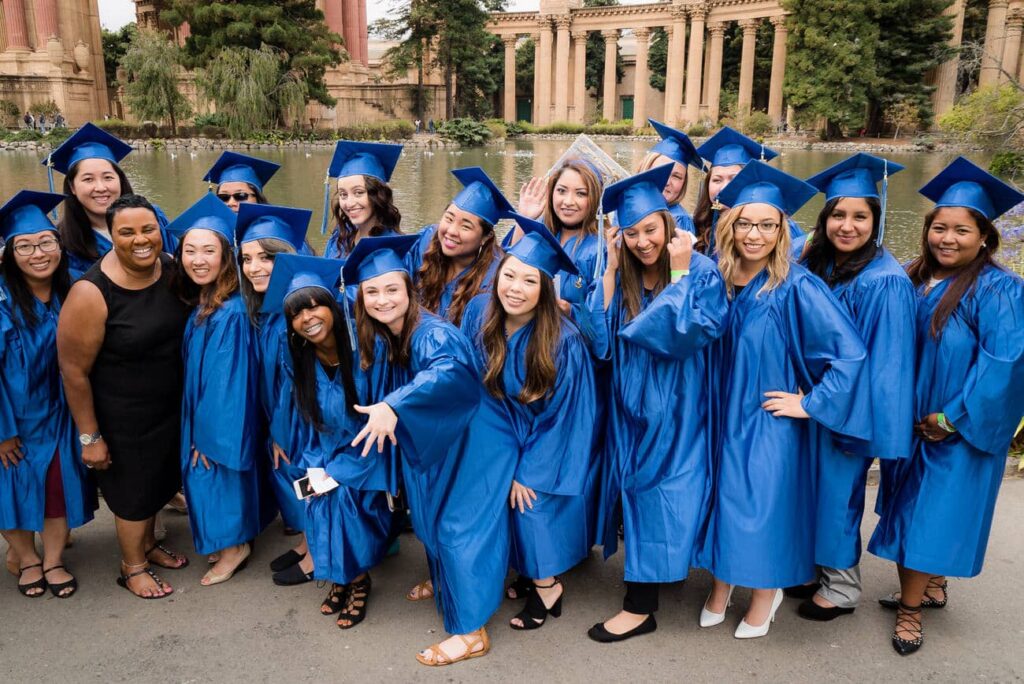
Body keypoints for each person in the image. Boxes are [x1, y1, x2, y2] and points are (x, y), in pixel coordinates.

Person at [698, 161, 872, 639]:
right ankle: (723, 582)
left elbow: (850, 355)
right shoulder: (716, 278)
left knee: (760, 508)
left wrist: (810, 404)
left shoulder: (796, 286)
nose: (755, 235)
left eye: (768, 225)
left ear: (782, 229)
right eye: (746, 223)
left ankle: (765, 592)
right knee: (724, 501)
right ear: (730, 225)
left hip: (766, 420)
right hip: (720, 415)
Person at [868, 157, 1024, 655]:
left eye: (961, 230)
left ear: (985, 237)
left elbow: (1005, 361)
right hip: (908, 423)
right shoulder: (911, 278)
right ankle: (931, 586)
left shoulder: (999, 288)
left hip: (954, 425)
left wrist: (952, 417)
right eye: (939, 227)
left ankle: (910, 613)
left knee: (927, 517)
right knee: (907, 506)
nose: (947, 238)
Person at [576, 165, 729, 642]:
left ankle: (640, 606)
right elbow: (598, 342)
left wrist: (680, 273)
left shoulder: (699, 270)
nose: (643, 241)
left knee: (662, 493)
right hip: (629, 405)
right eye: (632, 233)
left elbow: (687, 337)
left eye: (650, 230)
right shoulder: (620, 272)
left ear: (669, 225)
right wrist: (611, 267)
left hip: (680, 406)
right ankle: (658, 579)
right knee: (640, 493)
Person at [345, 235, 505, 666]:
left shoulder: (431, 333)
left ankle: (472, 632)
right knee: (432, 515)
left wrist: (393, 405)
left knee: (458, 527)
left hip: (478, 442)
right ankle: (448, 584)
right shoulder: (392, 332)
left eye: (392, 289)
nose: (382, 300)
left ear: (409, 291)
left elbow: (449, 373)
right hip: (448, 437)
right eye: (372, 292)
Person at [789, 154, 916, 621]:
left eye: (860, 216)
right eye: (838, 215)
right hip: (813, 401)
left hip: (847, 408)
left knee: (839, 495)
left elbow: (885, 365)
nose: (847, 226)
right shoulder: (821, 262)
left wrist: (828, 407)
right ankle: (811, 571)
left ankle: (841, 589)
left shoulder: (885, 282)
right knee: (810, 490)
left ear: (876, 220)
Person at [460, 215, 597, 631]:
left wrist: (527, 469)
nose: (514, 289)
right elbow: (468, 383)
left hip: (545, 439)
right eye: (509, 276)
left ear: (545, 292)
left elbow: (566, 419)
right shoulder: (479, 315)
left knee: (529, 505)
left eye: (529, 282)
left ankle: (547, 584)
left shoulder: (563, 341)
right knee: (494, 499)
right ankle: (523, 571)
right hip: (495, 431)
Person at [57, 193, 191, 599]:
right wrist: (90, 436)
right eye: (127, 232)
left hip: (167, 408)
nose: (141, 239)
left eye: (148, 229)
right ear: (111, 236)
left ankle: (148, 546)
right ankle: (132, 566)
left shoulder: (168, 267)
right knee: (134, 493)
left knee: (158, 482)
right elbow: (74, 371)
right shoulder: (91, 293)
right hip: (123, 415)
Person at [261, 254, 395, 629]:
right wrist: (302, 455)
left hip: (368, 453)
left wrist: (336, 471)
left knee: (343, 501)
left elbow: (387, 418)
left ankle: (356, 581)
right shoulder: (300, 357)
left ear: (334, 306)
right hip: (325, 449)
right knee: (312, 493)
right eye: (297, 314)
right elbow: (303, 415)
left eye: (315, 305)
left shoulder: (369, 351)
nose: (308, 318)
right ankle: (341, 575)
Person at [1, 191, 96, 599]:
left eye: (45, 242)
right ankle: (26, 558)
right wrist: (1, 431)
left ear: (59, 246)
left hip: (61, 413)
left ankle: (53, 558)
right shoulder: (3, 303)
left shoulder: (73, 292)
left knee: (57, 487)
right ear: (8, 253)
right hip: (15, 417)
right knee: (11, 489)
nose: (37, 253)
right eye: (24, 246)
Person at [168, 193, 266, 586]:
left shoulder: (231, 312)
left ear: (227, 256)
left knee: (212, 471)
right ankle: (225, 537)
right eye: (189, 250)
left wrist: (206, 439)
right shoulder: (210, 299)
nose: (197, 259)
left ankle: (234, 547)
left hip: (216, 422)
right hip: (201, 411)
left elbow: (228, 387)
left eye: (209, 250)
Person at [235, 203, 315, 584]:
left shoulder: (296, 312)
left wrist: (281, 431)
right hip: (285, 419)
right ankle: (306, 542)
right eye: (247, 258)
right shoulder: (268, 309)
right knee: (294, 480)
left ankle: (318, 552)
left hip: (302, 422)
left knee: (308, 481)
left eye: (266, 257)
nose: (254, 267)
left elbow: (296, 383)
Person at [43, 123, 172, 273]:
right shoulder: (64, 243)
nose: (101, 187)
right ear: (72, 187)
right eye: (88, 179)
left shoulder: (153, 217)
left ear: (120, 179)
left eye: (108, 177)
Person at [407, 167, 506, 326]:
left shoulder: (495, 277)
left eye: (465, 227)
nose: (451, 231)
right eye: (449, 218)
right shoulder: (424, 243)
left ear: (485, 237)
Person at [693, 126, 804, 257]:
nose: (723, 188)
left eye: (734, 179)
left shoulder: (780, 227)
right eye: (717, 180)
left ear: (751, 182)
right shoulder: (701, 223)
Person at [514, 158, 603, 318]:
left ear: (595, 198)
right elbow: (509, 272)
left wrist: (569, 310)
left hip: (572, 339)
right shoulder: (540, 232)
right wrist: (524, 219)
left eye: (581, 193)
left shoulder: (600, 249)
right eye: (561, 191)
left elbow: (603, 316)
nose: (568, 201)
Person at [321, 141, 404, 259]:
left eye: (358, 192)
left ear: (378, 195)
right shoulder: (339, 241)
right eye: (343, 194)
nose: (349, 203)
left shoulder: (396, 247)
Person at [637, 118, 706, 234]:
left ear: (683, 183)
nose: (667, 181)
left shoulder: (680, 220)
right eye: (661, 170)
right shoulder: (628, 206)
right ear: (646, 169)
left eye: (677, 177)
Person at [204, 151, 281, 212]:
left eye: (240, 196)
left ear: (258, 197)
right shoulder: (208, 229)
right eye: (223, 197)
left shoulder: (270, 229)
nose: (231, 203)